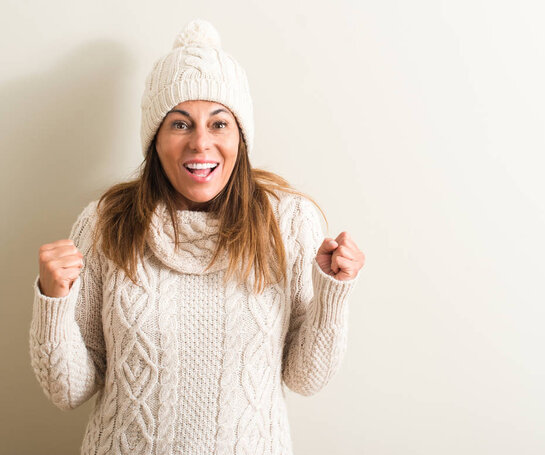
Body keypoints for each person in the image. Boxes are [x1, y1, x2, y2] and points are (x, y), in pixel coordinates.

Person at [29, 18, 365, 454]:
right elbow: (69, 392)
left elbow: (306, 378)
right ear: (155, 138)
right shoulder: (105, 223)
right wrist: (53, 300)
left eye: (219, 124)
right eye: (181, 124)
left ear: (240, 138)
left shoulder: (290, 223)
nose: (201, 144)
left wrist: (333, 292)